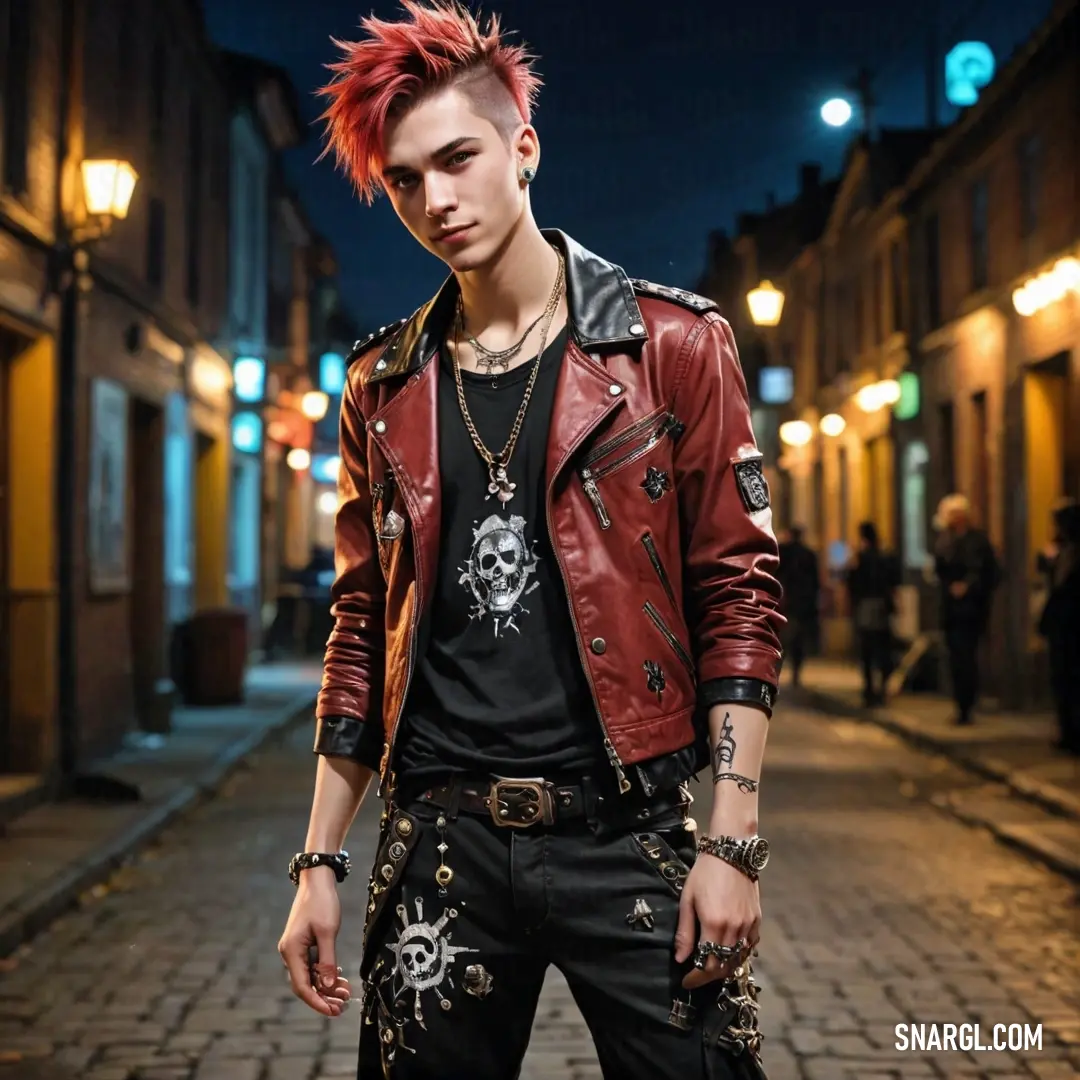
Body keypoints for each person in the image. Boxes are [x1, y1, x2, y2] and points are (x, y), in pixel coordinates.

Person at [277, 4, 784, 1079]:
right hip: (441, 850)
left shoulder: (673, 346)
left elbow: (739, 596)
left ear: (523, 146)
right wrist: (319, 857)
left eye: (457, 159)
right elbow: (362, 623)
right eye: (405, 181)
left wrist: (728, 843)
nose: (436, 201)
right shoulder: (381, 386)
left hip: (629, 833)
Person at [932, 493, 1001, 725]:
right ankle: (961, 704)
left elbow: (988, 572)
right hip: (951, 610)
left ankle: (968, 704)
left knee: (967, 656)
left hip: (971, 609)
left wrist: (969, 587)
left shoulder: (978, 541)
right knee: (956, 658)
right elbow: (939, 570)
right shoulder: (945, 541)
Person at [1037, 499, 1080, 754]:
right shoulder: (1062, 550)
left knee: (1070, 679)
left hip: (1071, 626)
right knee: (1061, 679)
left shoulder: (1072, 553)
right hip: (1061, 627)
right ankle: (1067, 731)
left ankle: (1072, 732)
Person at [845, 522, 899, 707]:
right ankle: (882, 688)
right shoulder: (885, 556)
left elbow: (852, 582)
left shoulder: (860, 558)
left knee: (867, 651)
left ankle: (869, 691)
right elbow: (894, 581)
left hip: (866, 607)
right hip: (882, 607)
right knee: (883, 649)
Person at [776, 525, 819, 687]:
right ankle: (796, 671)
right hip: (803, 603)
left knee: (784, 639)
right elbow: (815, 582)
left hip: (786, 602)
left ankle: (779, 670)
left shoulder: (783, 551)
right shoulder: (809, 554)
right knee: (798, 640)